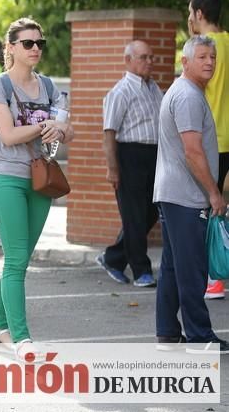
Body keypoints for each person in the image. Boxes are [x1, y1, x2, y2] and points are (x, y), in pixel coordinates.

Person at [0, 17, 73, 360]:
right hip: (6, 176)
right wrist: (46, 126)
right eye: (28, 43)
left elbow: (70, 129)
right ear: (11, 48)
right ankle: (21, 338)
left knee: (20, 260)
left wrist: (61, 130)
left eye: (40, 43)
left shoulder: (49, 86)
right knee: (17, 258)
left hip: (41, 179)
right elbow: (7, 135)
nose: (36, 48)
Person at [153, 35, 228, 353]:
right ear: (185, 62)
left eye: (212, 56)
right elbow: (193, 152)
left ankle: (168, 333)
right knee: (191, 268)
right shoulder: (187, 96)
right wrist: (214, 193)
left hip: (174, 193)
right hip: (185, 196)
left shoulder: (187, 92)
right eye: (201, 57)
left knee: (173, 265)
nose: (209, 62)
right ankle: (199, 337)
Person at [97, 40, 162, 288]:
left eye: (151, 57)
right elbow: (109, 133)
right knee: (133, 215)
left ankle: (113, 258)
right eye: (143, 57)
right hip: (129, 156)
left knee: (151, 211)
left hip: (154, 155)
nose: (149, 62)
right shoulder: (120, 91)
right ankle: (141, 270)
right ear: (128, 60)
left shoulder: (154, 88)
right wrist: (113, 168)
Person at [187, 0, 229, 301]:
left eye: (190, 12)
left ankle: (212, 279)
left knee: (205, 208)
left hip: (209, 137)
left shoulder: (204, 50)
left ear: (199, 13)